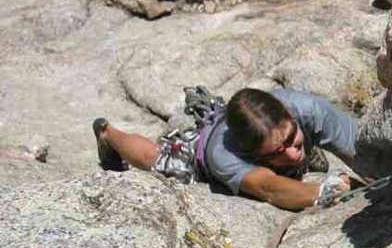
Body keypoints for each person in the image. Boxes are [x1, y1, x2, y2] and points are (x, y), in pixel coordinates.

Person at [93, 87, 357, 211]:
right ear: (252, 154)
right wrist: (321, 191)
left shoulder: (308, 108)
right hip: (199, 155)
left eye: (290, 139)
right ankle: (108, 134)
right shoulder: (224, 155)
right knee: (158, 159)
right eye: (275, 152)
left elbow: (362, 145)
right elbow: (268, 188)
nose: (290, 152)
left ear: (289, 115)